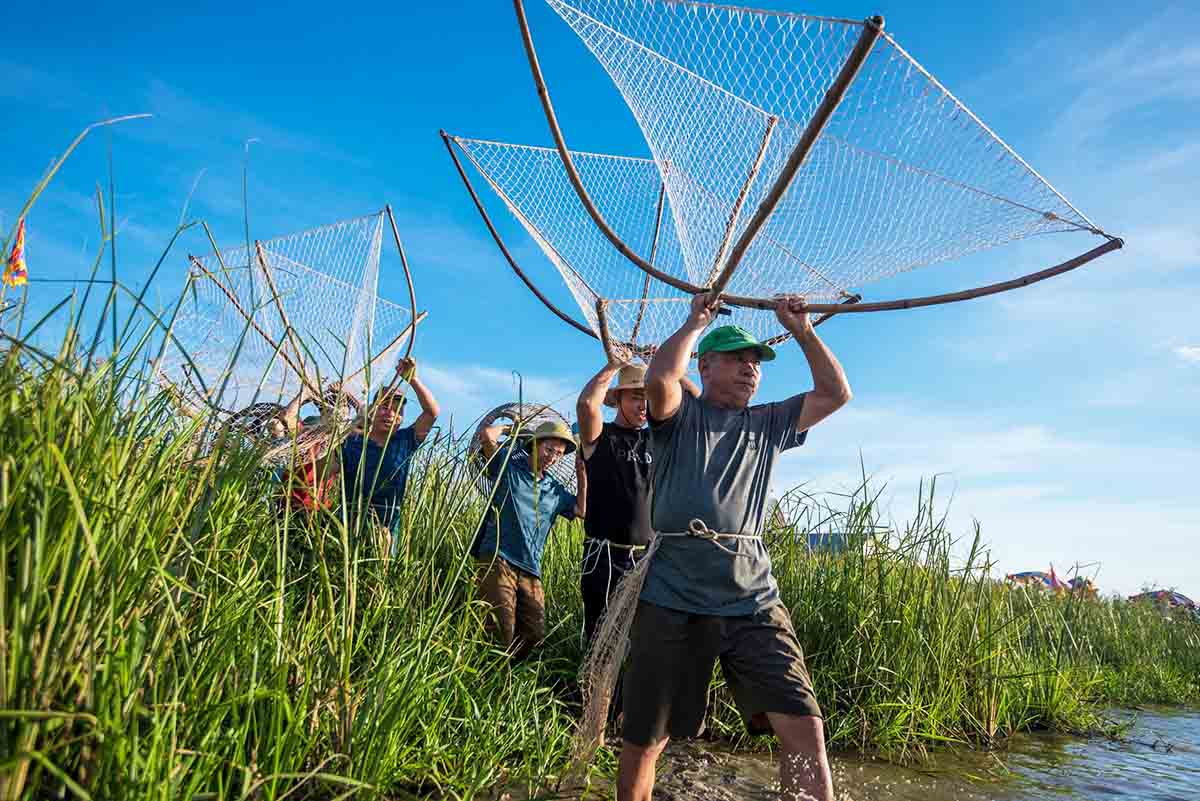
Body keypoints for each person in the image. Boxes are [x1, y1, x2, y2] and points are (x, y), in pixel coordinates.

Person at [618, 293, 852, 801]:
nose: (752, 369)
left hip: (753, 598)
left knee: (804, 729)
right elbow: (660, 380)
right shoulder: (680, 417)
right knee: (645, 738)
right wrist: (694, 322)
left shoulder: (768, 423)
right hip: (672, 595)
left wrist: (802, 330)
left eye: (757, 363)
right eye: (739, 359)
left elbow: (835, 393)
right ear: (706, 364)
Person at [575, 350, 699, 645]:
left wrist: (667, 365)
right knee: (601, 637)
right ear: (617, 399)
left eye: (647, 397)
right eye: (634, 397)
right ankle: (595, 691)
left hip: (647, 558)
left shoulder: (658, 439)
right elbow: (586, 403)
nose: (643, 405)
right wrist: (615, 364)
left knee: (641, 639)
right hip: (604, 557)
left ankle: (629, 693)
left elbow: (697, 407)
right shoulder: (600, 437)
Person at [473, 419, 585, 660]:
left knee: (534, 631)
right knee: (500, 626)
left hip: (530, 567)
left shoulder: (555, 490)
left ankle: (508, 669)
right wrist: (509, 429)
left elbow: (581, 510)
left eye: (558, 454)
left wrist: (581, 471)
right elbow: (486, 436)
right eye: (548, 449)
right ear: (534, 445)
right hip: (498, 556)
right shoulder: (508, 469)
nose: (552, 457)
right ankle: (493, 678)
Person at [340, 357, 439, 553]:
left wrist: (413, 379)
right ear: (372, 411)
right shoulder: (352, 441)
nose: (390, 414)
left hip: (387, 528)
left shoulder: (406, 441)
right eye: (384, 407)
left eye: (397, 410)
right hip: (348, 521)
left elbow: (431, 412)